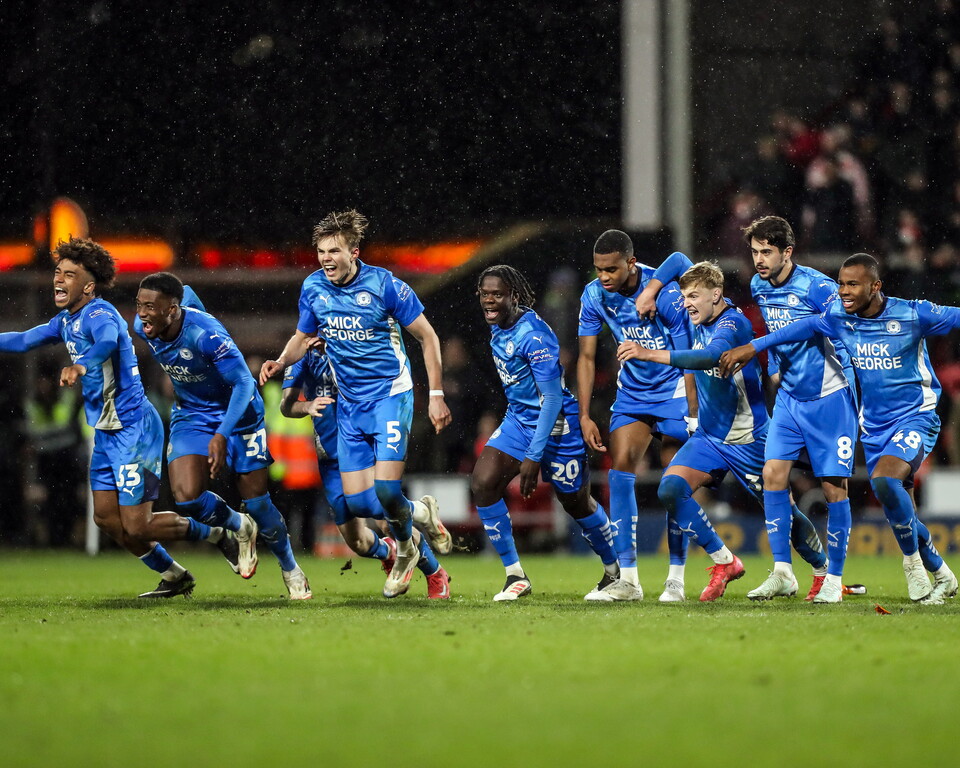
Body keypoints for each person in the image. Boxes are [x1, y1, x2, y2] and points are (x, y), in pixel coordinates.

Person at [0, 237, 237, 598]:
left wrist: (82, 364)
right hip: (107, 433)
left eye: (69, 274)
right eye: (58, 272)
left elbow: (107, 342)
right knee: (107, 519)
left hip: (134, 428)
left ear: (88, 287)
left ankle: (218, 534)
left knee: (138, 524)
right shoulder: (65, 321)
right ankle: (174, 575)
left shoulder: (100, 314)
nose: (58, 279)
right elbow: (21, 340)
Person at [719, 253, 959, 603]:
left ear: (875, 286)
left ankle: (913, 566)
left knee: (885, 481)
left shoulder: (912, 313)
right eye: (842, 283)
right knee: (897, 506)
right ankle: (941, 571)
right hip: (873, 425)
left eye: (852, 284)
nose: (843, 291)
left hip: (915, 416)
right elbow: (804, 327)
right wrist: (755, 347)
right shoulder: (840, 316)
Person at [642, 217, 852, 603]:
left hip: (749, 437)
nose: (686, 303)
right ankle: (725, 561)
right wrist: (652, 289)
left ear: (716, 295)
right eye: (753, 251)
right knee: (670, 488)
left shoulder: (734, 324)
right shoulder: (708, 305)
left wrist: (650, 354)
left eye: (693, 296)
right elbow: (678, 260)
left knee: (784, 515)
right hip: (710, 436)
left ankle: (823, 571)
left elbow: (709, 356)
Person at [260, 209, 452, 599]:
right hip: (350, 405)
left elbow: (428, 337)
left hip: (390, 395)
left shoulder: (385, 285)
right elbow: (301, 338)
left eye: (334, 251)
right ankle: (421, 513)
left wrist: (436, 396)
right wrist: (280, 362)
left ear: (354, 252)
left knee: (386, 491)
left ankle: (408, 554)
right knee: (363, 502)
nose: (326, 259)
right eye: (321, 252)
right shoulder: (313, 288)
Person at [134, 272, 312, 599]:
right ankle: (238, 525)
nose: (142, 314)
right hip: (192, 413)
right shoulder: (145, 326)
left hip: (239, 413)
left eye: (150, 307)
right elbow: (187, 290)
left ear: (171, 310)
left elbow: (244, 383)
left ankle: (290, 566)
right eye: (139, 305)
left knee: (257, 502)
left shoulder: (206, 336)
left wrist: (221, 434)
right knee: (187, 497)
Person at [473, 265, 619, 601]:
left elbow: (552, 399)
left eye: (497, 294)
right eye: (485, 294)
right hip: (519, 420)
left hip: (557, 426)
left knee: (576, 503)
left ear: (514, 296)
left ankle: (616, 570)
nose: (489, 301)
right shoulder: (498, 326)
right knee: (483, 482)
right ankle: (515, 575)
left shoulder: (534, 336)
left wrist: (533, 457)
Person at [577, 231, 697, 602]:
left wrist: (694, 411)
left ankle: (676, 578)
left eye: (611, 269)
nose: (603, 277)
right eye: (598, 269)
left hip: (675, 390)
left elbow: (688, 358)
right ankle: (628, 580)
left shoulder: (666, 294)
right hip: (633, 393)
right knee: (620, 472)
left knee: (674, 482)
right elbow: (586, 357)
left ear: (631, 263)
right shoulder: (594, 295)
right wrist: (584, 414)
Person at [280, 341, 452, 598]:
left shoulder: (351, 342)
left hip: (364, 450)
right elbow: (286, 405)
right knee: (357, 542)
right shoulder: (299, 353)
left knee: (387, 521)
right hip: (331, 458)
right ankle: (392, 549)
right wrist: (306, 406)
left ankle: (435, 573)